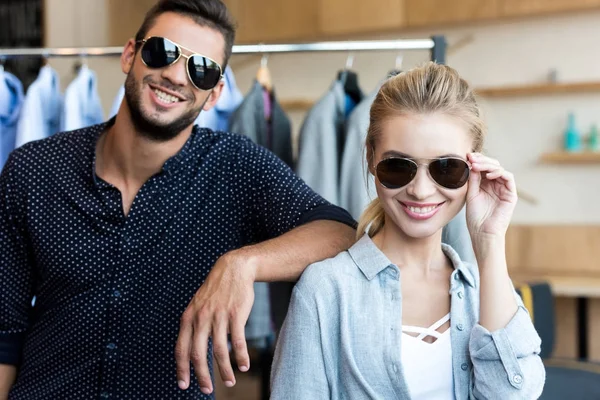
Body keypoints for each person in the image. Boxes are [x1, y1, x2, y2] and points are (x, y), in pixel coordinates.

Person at [0, 1, 360, 398]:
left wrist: (242, 263)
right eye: (161, 52)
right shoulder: (34, 168)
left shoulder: (235, 167)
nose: (174, 75)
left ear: (214, 94)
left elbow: (341, 232)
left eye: (200, 69)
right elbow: (4, 334)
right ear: (129, 55)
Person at [270, 62, 546, 399]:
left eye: (446, 169)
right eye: (399, 167)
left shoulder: (485, 291)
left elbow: (513, 395)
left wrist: (489, 242)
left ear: (475, 167)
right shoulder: (325, 290)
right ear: (371, 158)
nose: (420, 190)